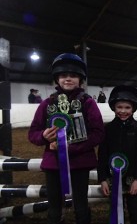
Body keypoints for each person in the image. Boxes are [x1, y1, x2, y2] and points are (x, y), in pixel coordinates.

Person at [28, 53, 105, 224]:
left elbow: (98, 132)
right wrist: (43, 135)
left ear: (81, 79)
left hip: (80, 162)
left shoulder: (88, 103)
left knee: (81, 206)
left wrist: (71, 148)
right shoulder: (46, 104)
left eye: (73, 75)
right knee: (54, 208)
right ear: (57, 79)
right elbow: (32, 133)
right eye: (63, 75)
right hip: (53, 163)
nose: (68, 79)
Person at [98, 85, 137, 224]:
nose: (123, 111)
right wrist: (103, 178)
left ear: (133, 109)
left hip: (132, 180)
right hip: (112, 179)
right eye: (119, 107)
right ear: (114, 107)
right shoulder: (108, 129)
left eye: (127, 108)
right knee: (115, 209)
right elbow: (102, 155)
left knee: (134, 210)